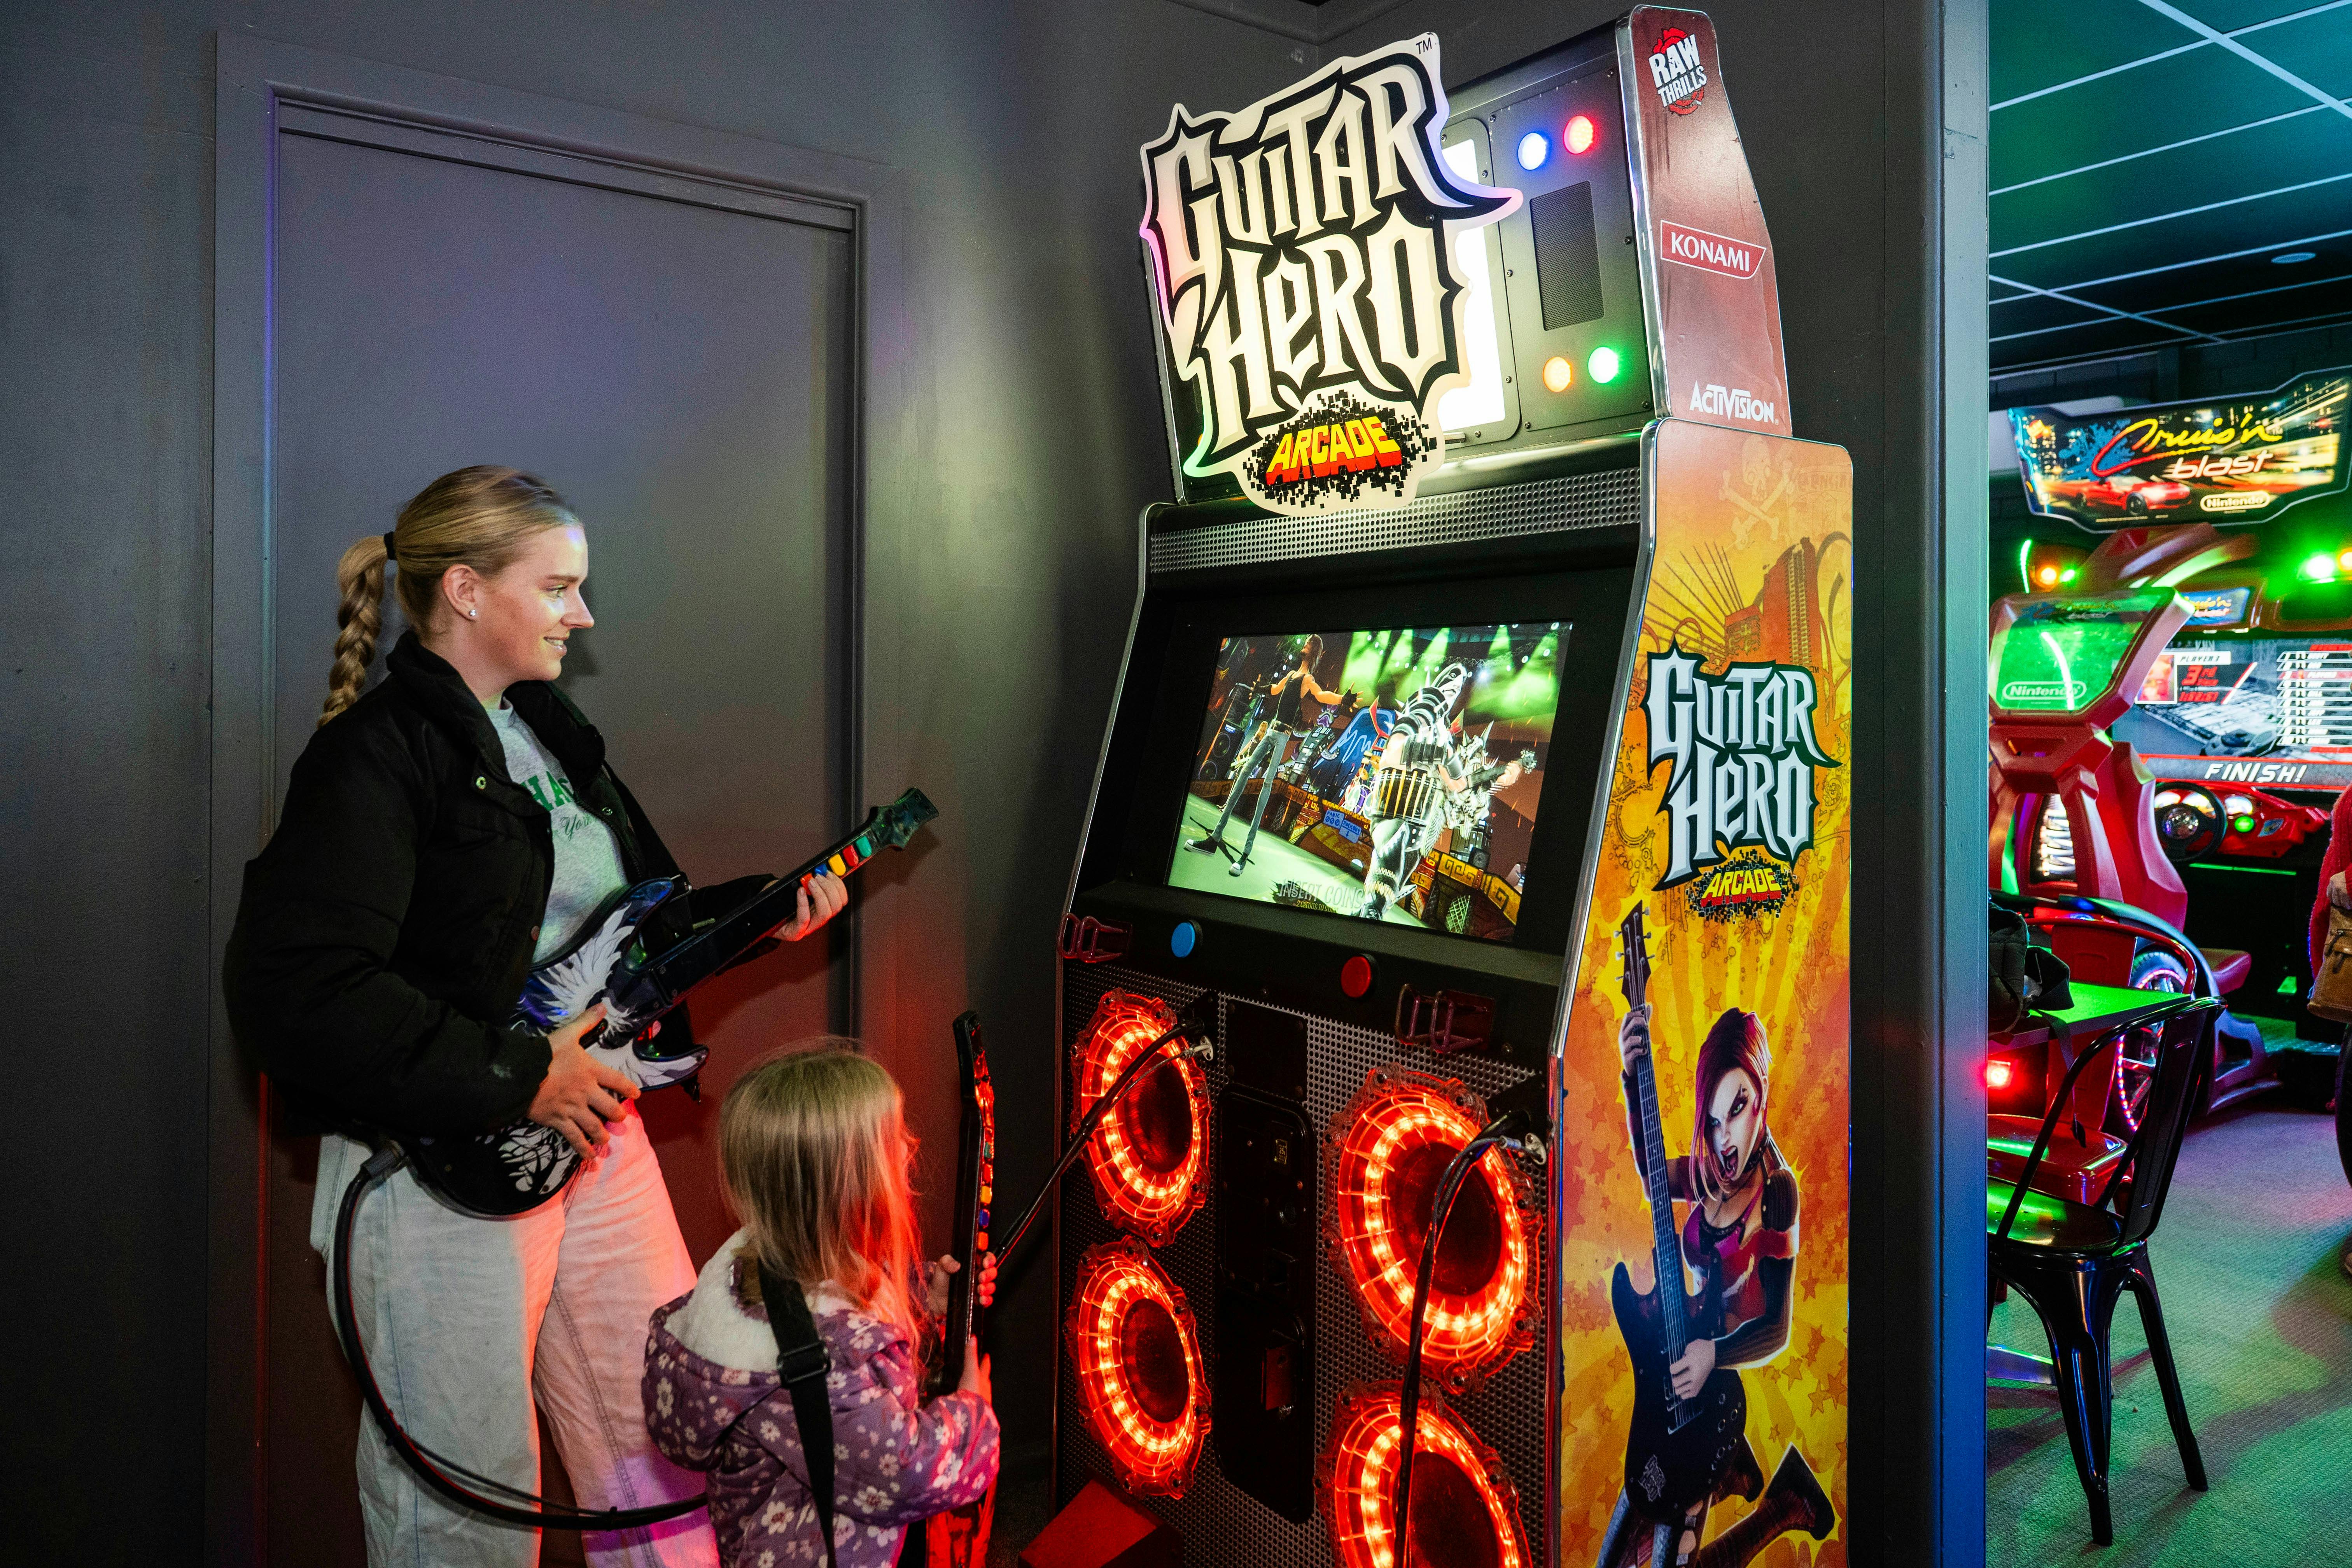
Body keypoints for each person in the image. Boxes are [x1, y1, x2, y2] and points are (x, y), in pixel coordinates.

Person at [223, 466, 847, 1568]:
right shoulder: (373, 758)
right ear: (466, 591)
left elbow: (615, 926)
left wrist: (762, 916)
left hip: (593, 1138)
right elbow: (296, 990)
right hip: (436, 1174)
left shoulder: (553, 736)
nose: (584, 614)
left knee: (660, 1448)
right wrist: (517, 1073)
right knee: (466, 1515)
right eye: (559, 588)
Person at [643, 1043, 1001, 1567]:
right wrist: (974, 1411)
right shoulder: (810, 1365)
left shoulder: (777, 1269)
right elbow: (908, 1472)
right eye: (890, 1140)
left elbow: (849, 1301)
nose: (909, 1147)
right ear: (841, 1183)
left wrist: (924, 1295)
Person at [1598, 1006, 1832, 1568]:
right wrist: (1634, 1079)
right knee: (1614, 1560)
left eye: (1740, 1108)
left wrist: (1714, 1355)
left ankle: (1779, 1503)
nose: (1725, 1136)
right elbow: (1652, 1176)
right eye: (1714, 1119)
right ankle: (1762, 1487)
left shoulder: (1777, 1195)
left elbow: (1777, 1328)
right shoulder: (1710, 1169)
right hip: (1676, 1375)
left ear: (1762, 1093)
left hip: (1717, 1394)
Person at [1186, 635, 1344, 874]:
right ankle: (1215, 838)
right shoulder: (1292, 675)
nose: (1305, 645)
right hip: (1271, 730)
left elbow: (1322, 696)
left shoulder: (1307, 678)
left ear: (1313, 652)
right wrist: (1259, 688)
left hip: (1282, 736)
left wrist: (1344, 699)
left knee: (1267, 787)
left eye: (1309, 644)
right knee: (1243, 775)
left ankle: (1245, 854)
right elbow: (1275, 689)